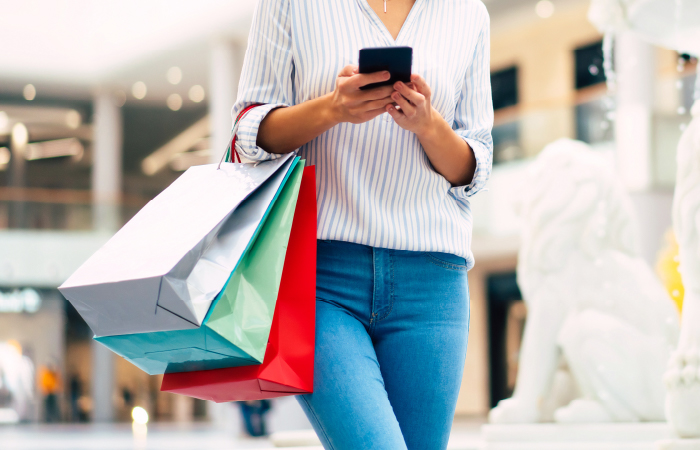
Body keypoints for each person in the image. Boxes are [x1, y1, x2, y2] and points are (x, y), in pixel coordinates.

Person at [232, 0, 493, 448]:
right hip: (318, 279)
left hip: (432, 285)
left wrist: (429, 125)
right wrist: (333, 108)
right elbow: (247, 134)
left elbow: (475, 164)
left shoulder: (468, 12)